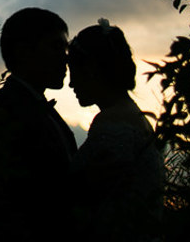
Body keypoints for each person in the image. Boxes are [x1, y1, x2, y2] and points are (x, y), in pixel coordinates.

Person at [0, 7, 79, 241]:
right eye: (55, 47)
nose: (66, 56)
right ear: (23, 52)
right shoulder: (0, 108)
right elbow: (15, 192)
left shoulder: (42, 109)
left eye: (65, 47)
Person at [68, 20, 164, 241]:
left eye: (73, 71)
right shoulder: (135, 116)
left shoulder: (111, 123)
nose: (71, 84)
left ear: (91, 70)